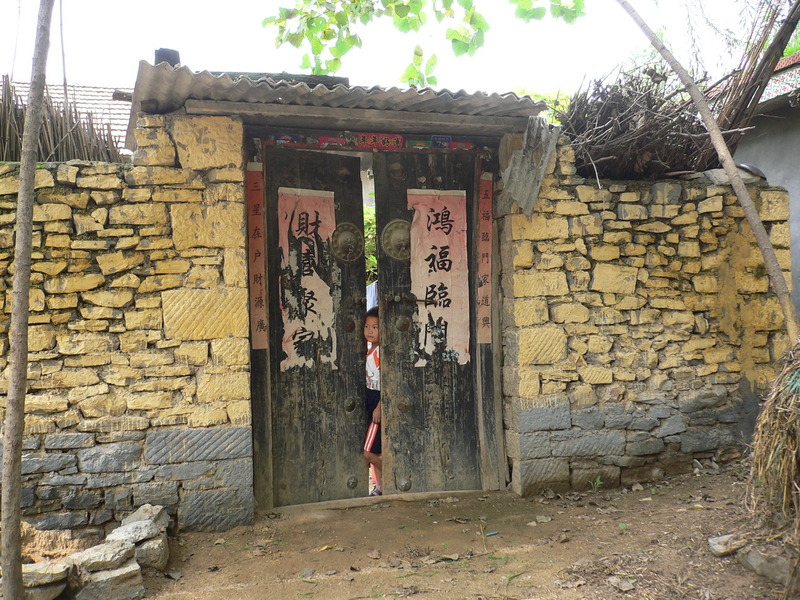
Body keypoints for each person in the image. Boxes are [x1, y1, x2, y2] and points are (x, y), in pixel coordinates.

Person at [363, 306, 382, 496]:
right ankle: (380, 488)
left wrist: (380, 406)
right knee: (376, 451)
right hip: (370, 399)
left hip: (377, 400)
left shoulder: (381, 353)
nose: (369, 331)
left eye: (375, 327)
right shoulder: (371, 350)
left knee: (368, 453)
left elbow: (388, 381)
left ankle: (394, 472)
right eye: (367, 326)